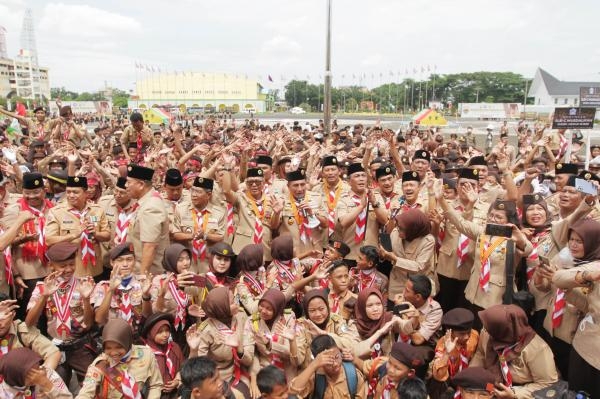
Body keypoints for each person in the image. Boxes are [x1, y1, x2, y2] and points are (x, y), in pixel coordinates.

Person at [25, 242, 97, 385]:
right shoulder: (41, 287)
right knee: (52, 386)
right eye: (63, 266)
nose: (69, 269)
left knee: (92, 385)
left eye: (72, 264)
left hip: (80, 346)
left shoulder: (83, 284)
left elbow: (88, 324)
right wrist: (44, 296)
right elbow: (29, 323)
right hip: (54, 348)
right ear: (51, 265)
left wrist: (86, 299)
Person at [553, 219, 600, 397]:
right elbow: (559, 278)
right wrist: (586, 276)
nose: (573, 244)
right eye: (571, 240)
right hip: (587, 348)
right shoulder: (596, 266)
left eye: (579, 241)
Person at [470, 304, 558, 398]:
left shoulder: (537, 349)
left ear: (503, 330)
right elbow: (481, 354)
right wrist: (472, 374)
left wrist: (514, 394)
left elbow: (547, 384)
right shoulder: (488, 332)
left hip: (520, 391)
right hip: (490, 385)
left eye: (488, 326)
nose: (484, 329)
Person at [186, 286, 254, 399]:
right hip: (216, 378)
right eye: (233, 302)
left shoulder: (241, 317)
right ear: (222, 308)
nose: (237, 304)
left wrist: (239, 349)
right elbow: (198, 368)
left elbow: (249, 360)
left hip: (239, 371)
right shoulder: (206, 329)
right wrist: (193, 350)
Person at [3, 172, 53, 319]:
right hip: (27, 273)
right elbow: (5, 244)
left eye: (36, 192)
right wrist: (22, 239)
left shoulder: (54, 208)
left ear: (44, 191)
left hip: (50, 269)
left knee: (48, 311)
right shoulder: (14, 210)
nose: (32, 196)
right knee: (29, 313)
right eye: (27, 193)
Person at [76, 318, 163, 399]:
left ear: (127, 341)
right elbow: (86, 391)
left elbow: (155, 385)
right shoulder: (101, 363)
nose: (113, 353)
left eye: (119, 347)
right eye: (108, 348)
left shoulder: (146, 354)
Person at [45, 176, 111, 279]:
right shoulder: (56, 212)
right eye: (68, 192)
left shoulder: (97, 210)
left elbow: (107, 235)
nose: (71, 195)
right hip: (70, 270)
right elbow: (49, 240)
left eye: (75, 192)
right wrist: (73, 235)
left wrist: (95, 234)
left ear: (86, 193)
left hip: (95, 269)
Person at [247, 289, 305, 390]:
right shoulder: (252, 321)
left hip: (286, 372)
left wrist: (269, 344)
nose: (263, 311)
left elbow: (288, 352)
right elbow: (252, 353)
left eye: (269, 309)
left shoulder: (288, 318)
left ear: (278, 308)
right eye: (261, 306)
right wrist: (254, 377)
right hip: (264, 372)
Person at [379, 209, 436, 301]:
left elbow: (418, 266)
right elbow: (388, 253)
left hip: (418, 288)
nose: (398, 230)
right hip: (397, 284)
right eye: (398, 227)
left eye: (402, 229)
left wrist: (395, 259)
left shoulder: (427, 241)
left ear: (413, 229)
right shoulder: (395, 233)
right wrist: (383, 255)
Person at [92, 242, 152, 329]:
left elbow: (148, 316)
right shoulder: (103, 286)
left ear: (134, 261)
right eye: (120, 260)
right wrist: (111, 290)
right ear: (112, 262)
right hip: (113, 335)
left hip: (138, 335)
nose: (125, 264)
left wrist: (146, 296)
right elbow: (99, 319)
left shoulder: (143, 283)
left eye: (129, 259)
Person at [172, 176, 226, 274]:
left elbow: (220, 237)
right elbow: (175, 234)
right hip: (187, 262)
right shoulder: (181, 209)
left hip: (208, 263)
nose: (194, 195)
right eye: (193, 191)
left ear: (208, 195)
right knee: (189, 288)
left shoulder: (219, 212)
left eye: (198, 192)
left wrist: (205, 235)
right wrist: (191, 236)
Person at [289, 334, 367, 399]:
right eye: (329, 361)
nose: (335, 364)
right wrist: (313, 365)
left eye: (337, 357)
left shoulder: (353, 375)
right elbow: (293, 393)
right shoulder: (315, 376)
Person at [126, 164, 170, 275]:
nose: (126, 185)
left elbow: (150, 246)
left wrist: (142, 278)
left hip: (150, 274)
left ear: (141, 185)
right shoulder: (144, 203)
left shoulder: (150, 207)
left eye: (129, 182)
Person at [0, 293, 61, 369]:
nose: (0, 323)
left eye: (3, 317)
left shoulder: (21, 331)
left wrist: (40, 377)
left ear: (13, 315)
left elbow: (53, 353)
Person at [430, 308, 480, 398]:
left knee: (489, 387)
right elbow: (439, 376)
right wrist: (447, 353)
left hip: (469, 373)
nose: (466, 337)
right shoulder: (442, 345)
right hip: (450, 379)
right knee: (438, 385)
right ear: (450, 332)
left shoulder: (474, 335)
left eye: (468, 332)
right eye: (462, 334)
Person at [140, 312, 185, 399]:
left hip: (175, 394)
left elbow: (183, 368)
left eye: (167, 330)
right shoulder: (145, 352)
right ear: (151, 333)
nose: (165, 335)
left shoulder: (174, 347)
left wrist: (177, 381)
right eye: (160, 332)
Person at [0, 347, 72, 399]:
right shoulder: (3, 394)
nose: (39, 373)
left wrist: (48, 385)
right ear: (17, 378)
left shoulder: (46, 374)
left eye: (38, 365)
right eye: (32, 373)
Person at [179, 356, 244, 399]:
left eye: (219, 377)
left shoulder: (235, 395)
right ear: (197, 392)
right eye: (214, 381)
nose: (220, 383)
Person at [235, 243, 267, 315]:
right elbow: (252, 310)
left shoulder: (260, 270)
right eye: (263, 255)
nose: (265, 257)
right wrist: (267, 288)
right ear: (256, 259)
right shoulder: (241, 285)